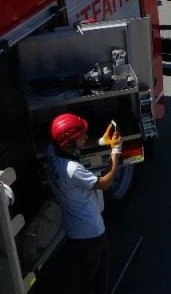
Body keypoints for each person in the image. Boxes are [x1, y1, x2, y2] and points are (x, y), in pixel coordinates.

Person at [46, 114, 121, 294]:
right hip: (91, 232)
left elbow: (77, 145)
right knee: (95, 274)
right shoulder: (73, 170)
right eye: (82, 136)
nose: (86, 137)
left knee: (91, 265)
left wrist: (102, 141)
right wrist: (115, 153)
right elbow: (105, 183)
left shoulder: (52, 151)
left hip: (75, 227)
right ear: (70, 143)